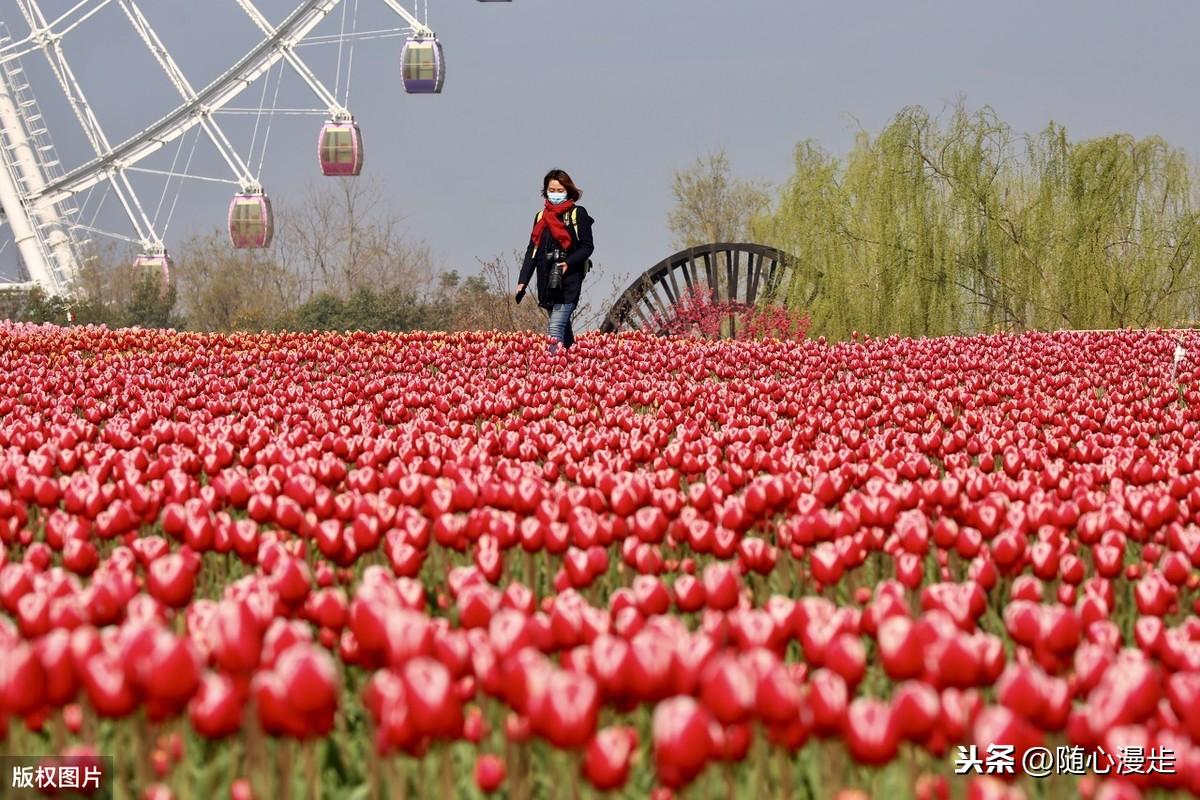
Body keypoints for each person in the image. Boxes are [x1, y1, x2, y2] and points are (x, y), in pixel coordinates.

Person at [515, 169, 594, 353]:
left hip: (568, 281)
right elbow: (532, 250)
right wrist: (522, 281)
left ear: (568, 190)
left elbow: (587, 247)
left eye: (560, 190)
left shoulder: (577, 214)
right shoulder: (541, 218)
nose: (555, 194)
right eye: (552, 190)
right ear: (545, 190)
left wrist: (568, 263)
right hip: (547, 281)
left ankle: (552, 370)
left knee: (555, 328)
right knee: (563, 330)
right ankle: (574, 363)